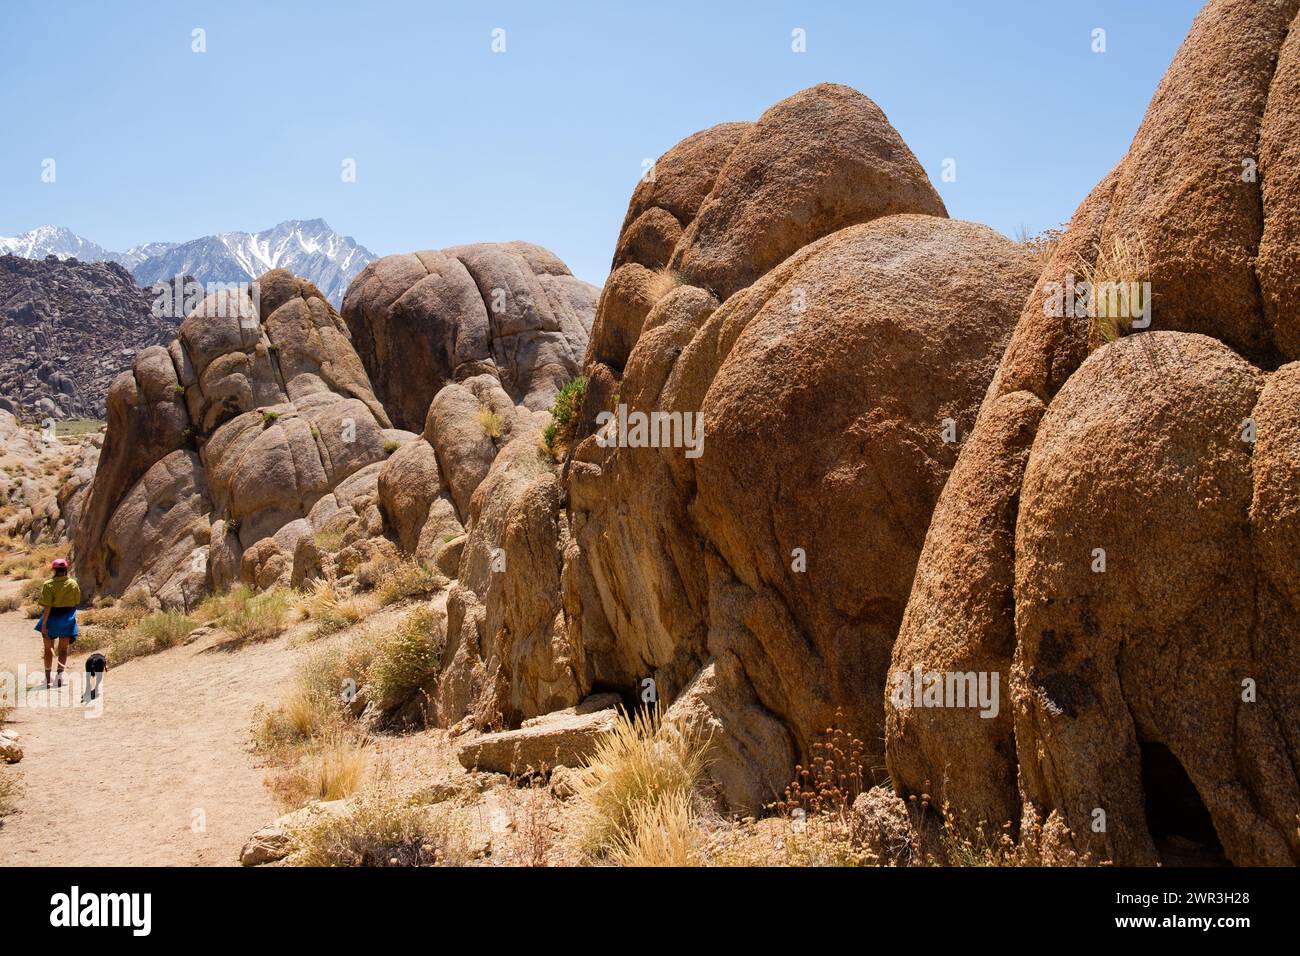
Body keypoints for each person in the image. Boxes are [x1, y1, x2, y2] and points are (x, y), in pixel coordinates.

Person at [34, 558, 80, 688]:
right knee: (63, 650)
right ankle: (59, 678)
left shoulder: (48, 584)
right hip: (67, 620)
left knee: (48, 650)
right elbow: (76, 601)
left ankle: (48, 679)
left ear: (54, 570)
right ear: (66, 570)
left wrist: (43, 624)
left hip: (51, 620)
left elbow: (47, 606)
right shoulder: (73, 583)